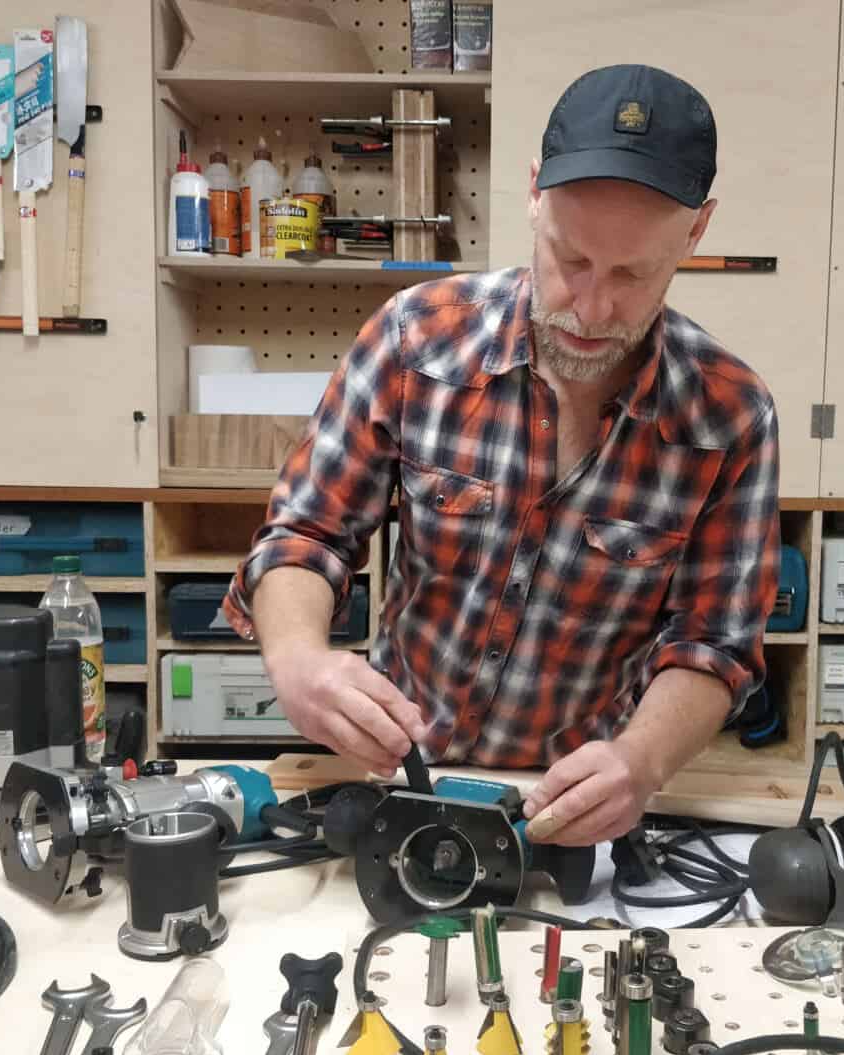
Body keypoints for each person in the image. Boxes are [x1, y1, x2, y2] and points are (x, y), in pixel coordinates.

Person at [224, 64, 780, 846]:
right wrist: (299, 660)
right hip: (404, 782)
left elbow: (716, 644)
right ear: (532, 194)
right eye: (570, 260)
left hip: (573, 809)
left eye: (631, 274)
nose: (591, 308)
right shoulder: (416, 337)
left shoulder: (729, 416)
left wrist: (642, 763)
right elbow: (308, 534)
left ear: (695, 233)